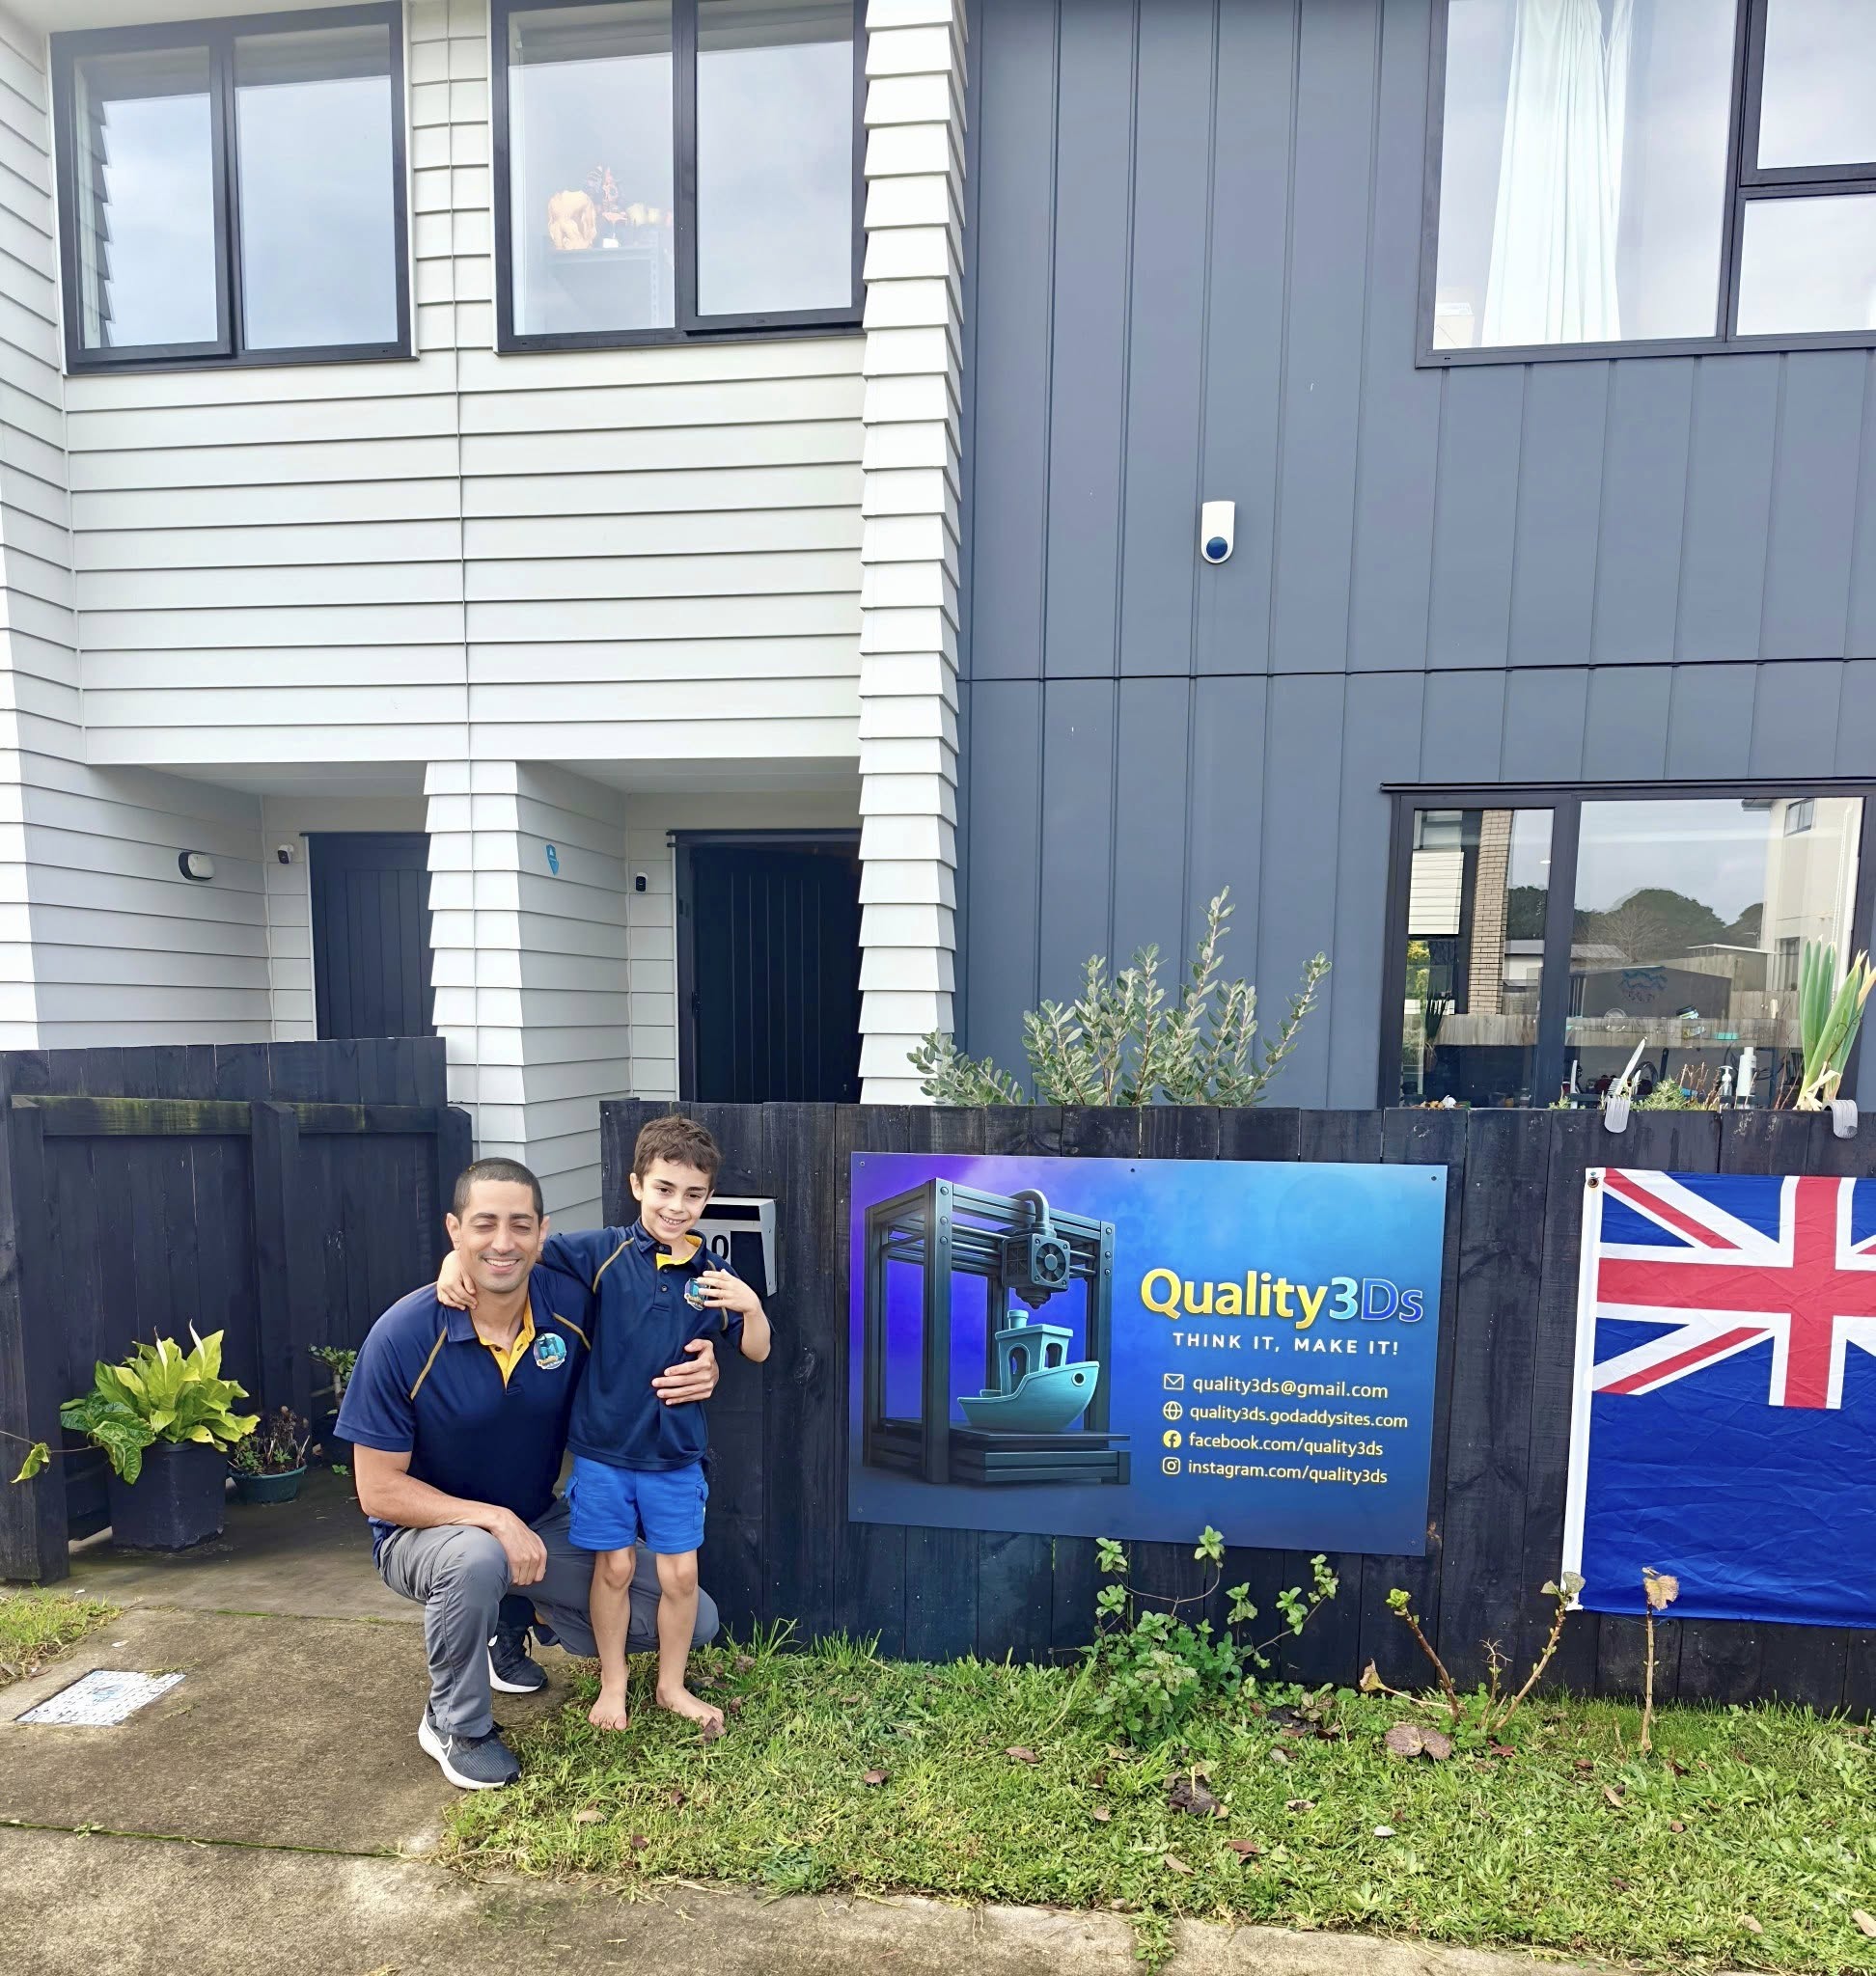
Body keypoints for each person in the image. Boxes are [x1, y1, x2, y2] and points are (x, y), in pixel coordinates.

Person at [336, 1157, 722, 1791]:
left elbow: (652, 1332)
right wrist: (492, 1520)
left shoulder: (570, 1305)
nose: (504, 1242)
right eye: (484, 1225)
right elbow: (377, 1491)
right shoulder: (404, 1335)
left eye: (520, 1225)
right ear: (454, 1230)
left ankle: (513, 1614)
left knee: (691, 1616)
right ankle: (454, 1723)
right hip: (425, 1539)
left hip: (537, 1520)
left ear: (543, 1234)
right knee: (475, 1560)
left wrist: (705, 1367)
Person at [439, 1115, 769, 1736]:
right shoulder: (601, 1251)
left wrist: (751, 1309)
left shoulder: (713, 1274)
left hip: (675, 1456)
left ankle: (671, 1685)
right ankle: (613, 1684)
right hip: (603, 1456)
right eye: (664, 1189)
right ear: (637, 1184)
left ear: (708, 1197)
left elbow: (755, 1350)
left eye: (693, 1194)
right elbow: (513, 1249)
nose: (677, 1206)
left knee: (682, 1576)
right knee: (613, 1570)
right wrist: (452, 1265)